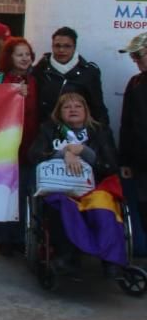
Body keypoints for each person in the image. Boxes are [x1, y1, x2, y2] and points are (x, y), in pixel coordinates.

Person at [29, 92, 120, 274]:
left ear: (86, 111)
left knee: (104, 204)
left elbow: (111, 166)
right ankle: (67, 255)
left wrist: (84, 152)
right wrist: (63, 153)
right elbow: (33, 156)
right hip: (61, 188)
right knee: (62, 203)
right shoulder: (48, 130)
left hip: (93, 188)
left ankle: (110, 259)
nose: (73, 110)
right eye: (67, 107)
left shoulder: (99, 131)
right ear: (59, 112)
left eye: (78, 106)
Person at [0, 36, 39, 256]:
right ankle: (2, 238)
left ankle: (20, 237)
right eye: (19, 54)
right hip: (3, 148)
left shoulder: (36, 80)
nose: (24, 58)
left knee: (23, 195)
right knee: (2, 194)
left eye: (27, 54)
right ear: (9, 57)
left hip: (28, 147)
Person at [34, 26, 109, 126]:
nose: (61, 50)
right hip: (46, 132)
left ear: (74, 47)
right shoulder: (40, 70)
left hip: (77, 132)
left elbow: (98, 109)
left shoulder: (89, 72)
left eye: (67, 46)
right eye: (57, 46)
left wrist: (103, 137)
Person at [119, 33, 147, 239]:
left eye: (138, 55)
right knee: (144, 210)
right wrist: (125, 161)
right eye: (133, 56)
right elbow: (126, 124)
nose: (135, 60)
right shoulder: (135, 83)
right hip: (141, 162)